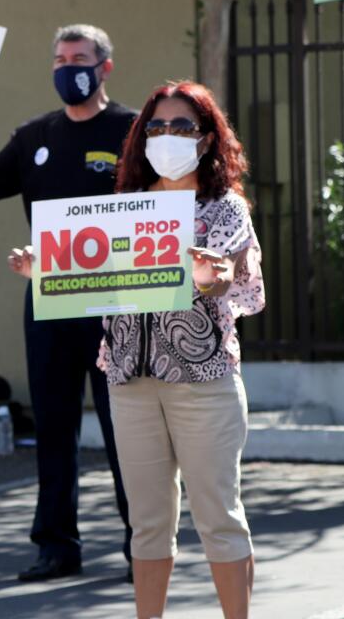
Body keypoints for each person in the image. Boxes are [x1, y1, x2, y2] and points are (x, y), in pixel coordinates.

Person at [0, 24, 135, 581]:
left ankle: (145, 543)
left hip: (121, 306)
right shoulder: (36, 135)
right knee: (55, 427)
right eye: (59, 58)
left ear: (105, 66)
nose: (68, 67)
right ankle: (56, 546)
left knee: (125, 429)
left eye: (79, 58)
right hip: (51, 301)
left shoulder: (133, 131)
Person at [102, 82, 261, 619]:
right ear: (141, 137)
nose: (167, 136)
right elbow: (91, 278)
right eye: (157, 126)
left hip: (203, 381)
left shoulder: (224, 209)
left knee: (218, 518)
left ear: (208, 139)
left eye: (182, 127)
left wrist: (211, 276)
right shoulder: (122, 207)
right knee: (146, 524)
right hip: (130, 382)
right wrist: (44, 269)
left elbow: (228, 282)